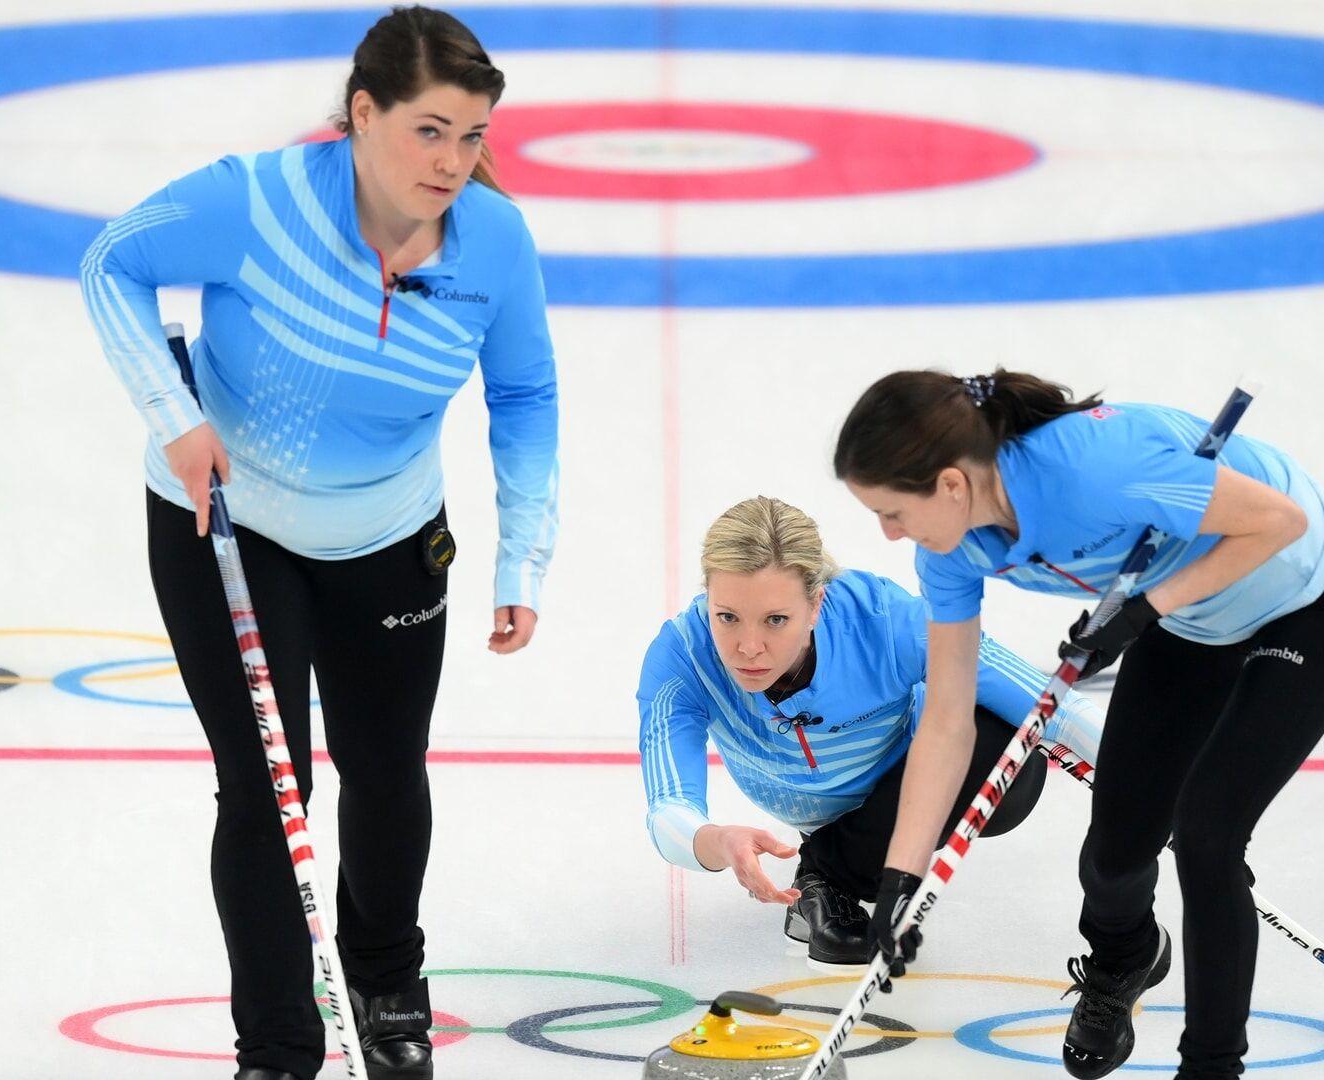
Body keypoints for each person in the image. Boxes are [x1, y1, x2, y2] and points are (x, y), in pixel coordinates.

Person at [80, 8, 559, 1079]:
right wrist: (175, 412)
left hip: (388, 536)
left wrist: (520, 553)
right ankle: (279, 1044)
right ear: (362, 112)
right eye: (429, 130)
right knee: (265, 785)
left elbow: (524, 393)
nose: (453, 162)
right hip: (224, 523)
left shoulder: (495, 244)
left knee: (386, 770)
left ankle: (388, 986)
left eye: (474, 136)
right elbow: (111, 262)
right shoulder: (253, 199)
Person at [834, 370, 1324, 1080]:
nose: (887, 534)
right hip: (1191, 622)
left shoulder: (1099, 473)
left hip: (1302, 599)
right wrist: (899, 876)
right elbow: (946, 716)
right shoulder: (951, 550)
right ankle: (1126, 956)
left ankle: (1211, 1069)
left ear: (948, 485)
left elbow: (1280, 522)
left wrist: (1146, 608)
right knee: (1114, 860)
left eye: (891, 512)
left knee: (1207, 835)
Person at [636, 496, 1103, 966]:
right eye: (727, 617)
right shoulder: (681, 656)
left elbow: (1054, 706)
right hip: (822, 812)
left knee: (1010, 743)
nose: (748, 647)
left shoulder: (885, 619)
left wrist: (1153, 781)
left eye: (776, 620)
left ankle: (829, 873)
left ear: (816, 604)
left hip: (918, 778)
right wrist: (716, 841)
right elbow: (669, 810)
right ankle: (844, 871)